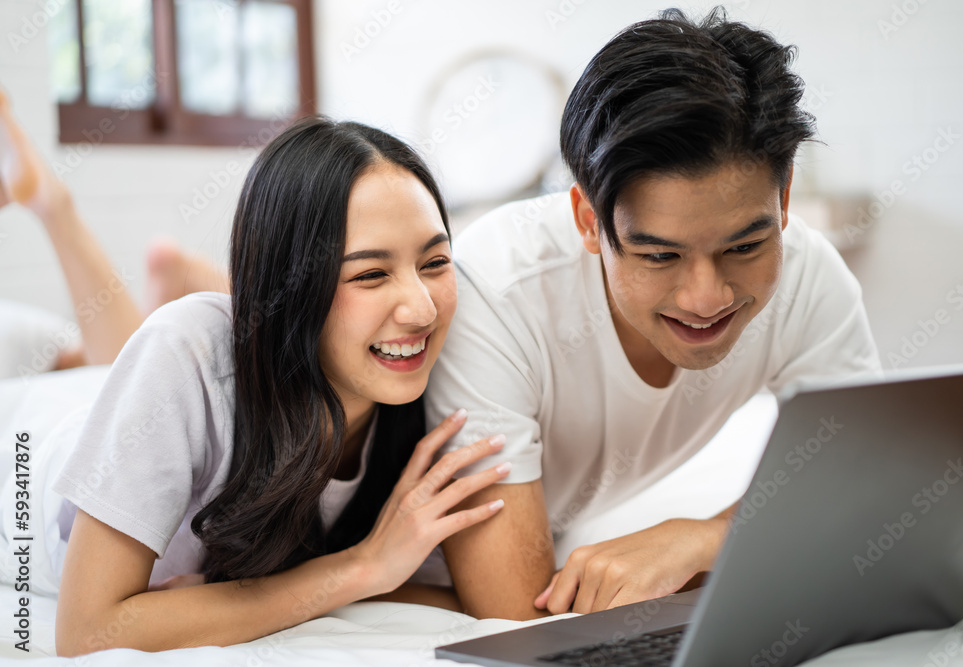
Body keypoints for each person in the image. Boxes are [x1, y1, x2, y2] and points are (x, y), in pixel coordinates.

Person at [0, 98, 511, 654]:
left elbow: (459, 592)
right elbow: (89, 632)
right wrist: (360, 567)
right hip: (25, 447)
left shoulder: (446, 369)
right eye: (369, 273)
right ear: (291, 285)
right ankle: (55, 205)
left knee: (113, 365)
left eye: (435, 262)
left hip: (148, 394)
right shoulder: (184, 346)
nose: (422, 309)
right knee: (140, 356)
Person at [424, 7, 883, 620]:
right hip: (373, 562)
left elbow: (866, 480)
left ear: (785, 197)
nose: (705, 297)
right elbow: (516, 612)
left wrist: (709, 536)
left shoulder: (808, 274)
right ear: (589, 221)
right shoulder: (498, 291)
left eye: (744, 246)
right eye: (660, 255)